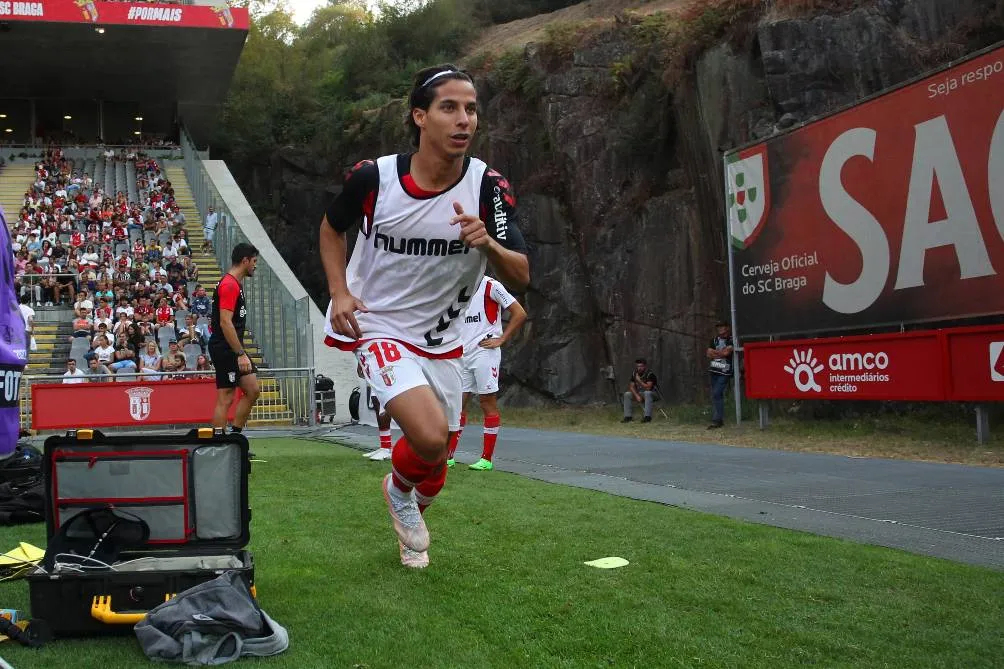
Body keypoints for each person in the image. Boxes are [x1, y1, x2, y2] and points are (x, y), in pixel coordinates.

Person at [319, 64, 529, 569]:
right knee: (432, 436)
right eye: (449, 107)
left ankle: (404, 494)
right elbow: (331, 229)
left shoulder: (487, 188)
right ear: (420, 116)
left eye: (472, 109)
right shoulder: (376, 178)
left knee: (435, 465)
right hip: (380, 325)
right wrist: (339, 291)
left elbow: (520, 274)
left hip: (444, 339)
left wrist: (489, 243)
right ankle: (397, 491)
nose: (464, 120)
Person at [448, 275, 526, 471]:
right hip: (462, 353)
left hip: (485, 352)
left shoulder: (491, 285)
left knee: (486, 402)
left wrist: (502, 339)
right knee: (457, 405)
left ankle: (486, 459)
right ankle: (448, 456)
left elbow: (519, 313)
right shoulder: (458, 285)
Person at [209, 243, 261, 433]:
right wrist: (240, 353)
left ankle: (235, 437)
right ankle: (220, 445)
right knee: (226, 396)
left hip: (231, 346)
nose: (255, 265)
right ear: (245, 260)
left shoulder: (234, 284)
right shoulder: (229, 285)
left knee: (253, 390)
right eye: (254, 261)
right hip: (225, 347)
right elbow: (225, 322)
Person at [357, 362, 394, 461]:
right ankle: (385, 446)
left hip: (385, 368)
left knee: (382, 407)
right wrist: (360, 364)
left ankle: (387, 449)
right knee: (376, 402)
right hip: (374, 369)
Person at [706, 320, 734, 429]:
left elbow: (727, 352)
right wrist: (720, 354)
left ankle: (718, 420)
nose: (720, 329)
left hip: (725, 371)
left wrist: (717, 354)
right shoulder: (714, 340)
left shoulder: (731, 339)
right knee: (716, 395)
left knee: (717, 393)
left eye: (722, 326)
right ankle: (717, 418)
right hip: (714, 370)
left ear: (727, 327)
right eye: (718, 327)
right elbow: (709, 354)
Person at [622, 358, 659, 423]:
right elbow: (631, 386)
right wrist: (636, 396)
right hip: (640, 394)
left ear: (645, 366)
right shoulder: (634, 373)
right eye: (638, 366)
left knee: (647, 393)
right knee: (627, 394)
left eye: (641, 366)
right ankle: (628, 417)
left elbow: (648, 388)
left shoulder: (650, 374)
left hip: (653, 394)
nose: (639, 368)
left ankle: (647, 417)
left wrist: (639, 380)